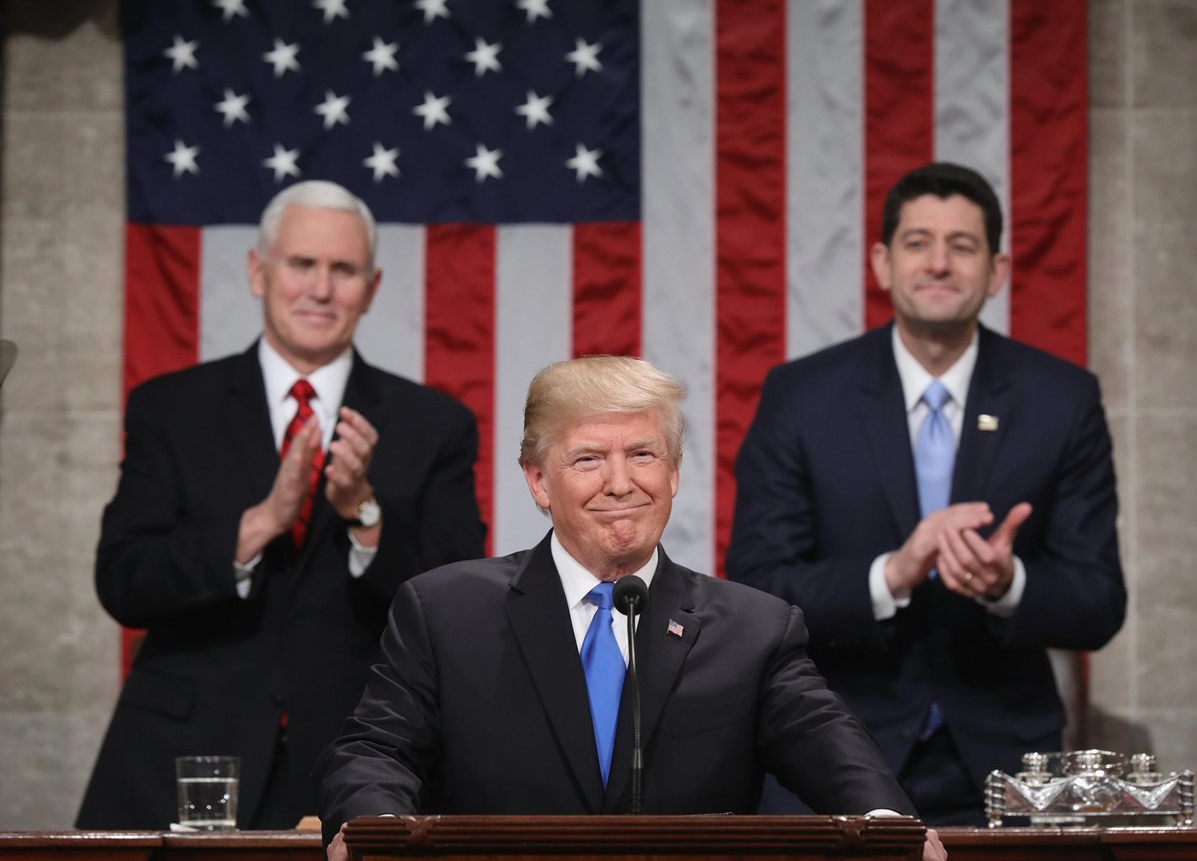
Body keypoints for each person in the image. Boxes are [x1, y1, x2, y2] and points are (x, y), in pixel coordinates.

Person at [316, 356, 945, 861]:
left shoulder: (754, 630)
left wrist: (888, 826)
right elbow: (375, 750)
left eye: (642, 455)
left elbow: (826, 742)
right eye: (589, 459)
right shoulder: (446, 612)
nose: (621, 482)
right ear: (538, 482)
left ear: (673, 473)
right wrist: (376, 829)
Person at [76, 180, 487, 830]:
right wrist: (261, 522)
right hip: (186, 760)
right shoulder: (171, 408)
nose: (320, 289)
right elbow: (124, 581)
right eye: (302, 264)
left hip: (359, 768)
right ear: (257, 271)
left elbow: (459, 604)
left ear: (372, 287)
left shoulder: (433, 424)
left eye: (343, 269)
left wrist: (365, 515)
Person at [726, 162, 1126, 825]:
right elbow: (758, 588)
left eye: (962, 246)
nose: (938, 263)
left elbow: (1099, 601)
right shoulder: (801, 397)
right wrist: (892, 574)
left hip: (1006, 774)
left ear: (996, 271)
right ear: (883, 263)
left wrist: (1009, 583)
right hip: (831, 760)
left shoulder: (1063, 399)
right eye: (918, 243)